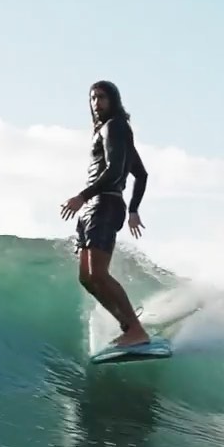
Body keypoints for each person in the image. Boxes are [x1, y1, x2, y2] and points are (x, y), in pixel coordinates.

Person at [60, 80, 150, 348]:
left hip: (104, 204)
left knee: (98, 273)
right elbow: (141, 174)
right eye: (92, 98)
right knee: (87, 278)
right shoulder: (109, 130)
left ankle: (136, 330)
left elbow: (114, 170)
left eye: (101, 97)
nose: (96, 103)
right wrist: (133, 210)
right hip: (94, 206)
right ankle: (129, 327)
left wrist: (82, 196)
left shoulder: (115, 126)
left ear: (113, 100)